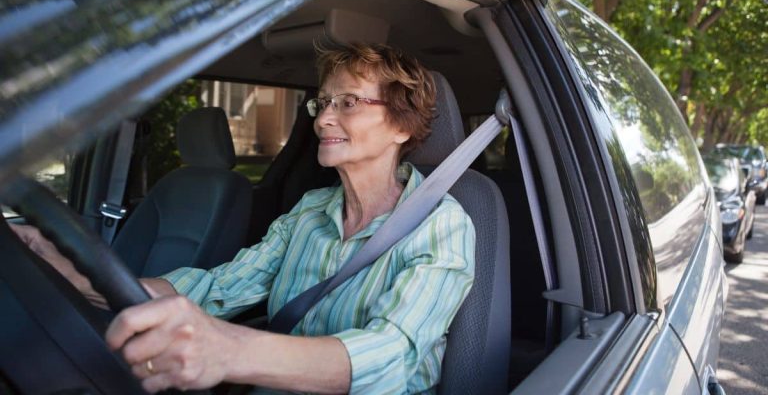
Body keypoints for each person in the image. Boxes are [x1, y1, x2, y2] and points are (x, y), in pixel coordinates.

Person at [12, 43, 475, 394]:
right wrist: (70, 271)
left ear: (402, 125)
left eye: (348, 102)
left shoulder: (442, 226)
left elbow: (391, 355)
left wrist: (228, 350)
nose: (322, 119)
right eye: (322, 103)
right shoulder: (310, 212)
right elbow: (217, 289)